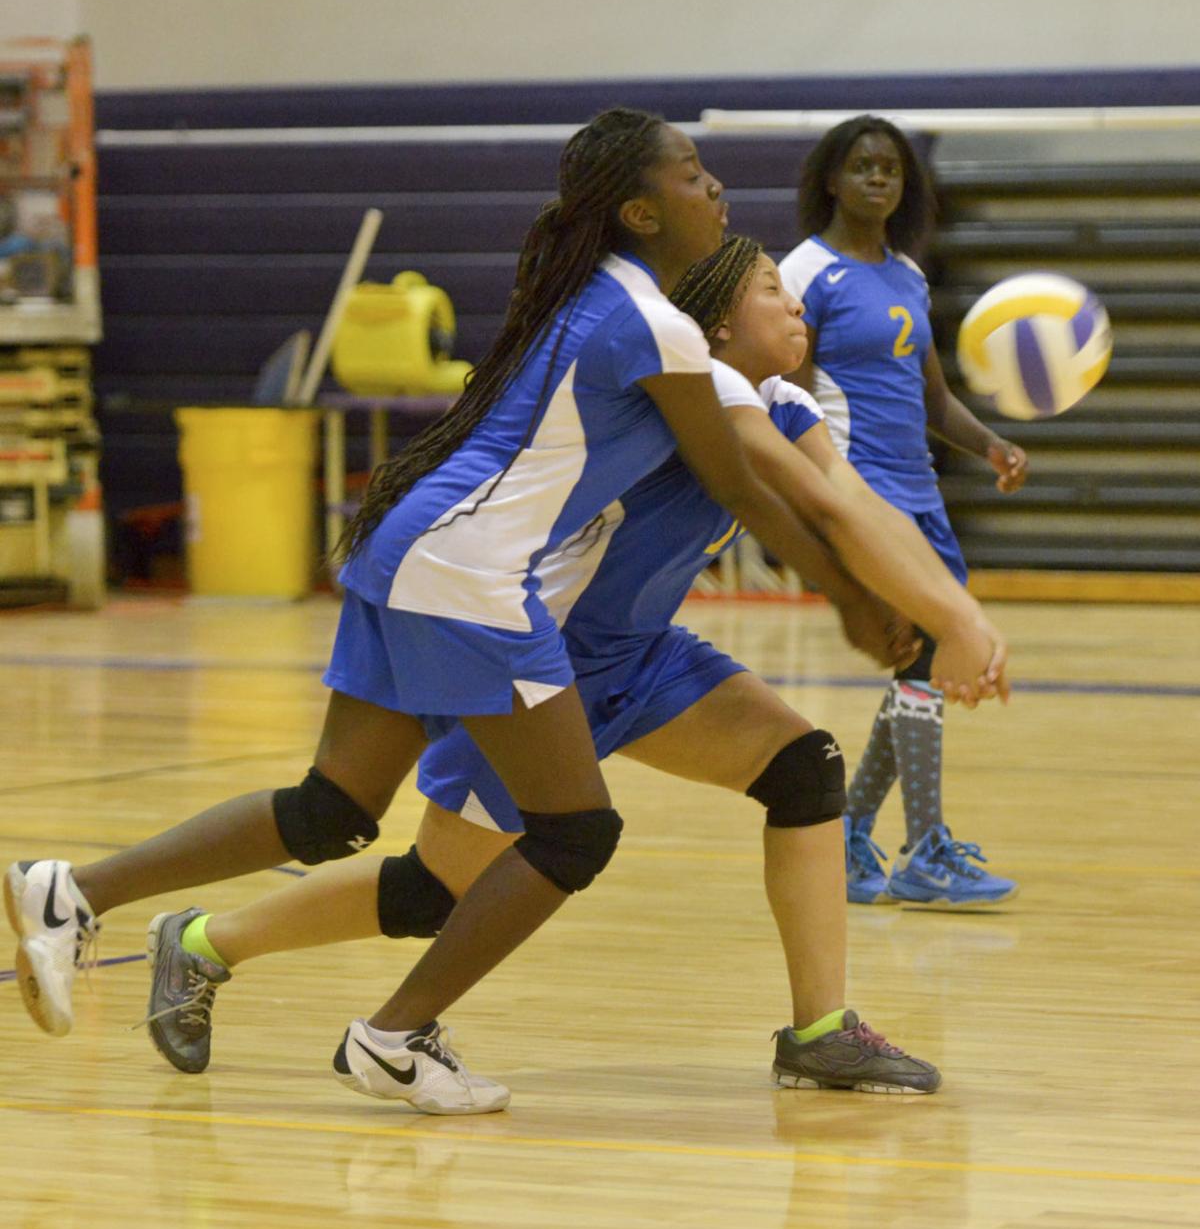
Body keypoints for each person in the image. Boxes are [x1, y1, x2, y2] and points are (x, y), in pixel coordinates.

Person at [6, 108, 925, 1116]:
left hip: (411, 550)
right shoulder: (656, 327)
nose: (716, 191)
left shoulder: (595, 292)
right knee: (573, 833)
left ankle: (73, 890)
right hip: (471, 575)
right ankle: (394, 1038)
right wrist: (849, 598)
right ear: (638, 212)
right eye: (694, 175)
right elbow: (743, 485)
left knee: (332, 810)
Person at [137, 237, 1009, 1105]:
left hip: (644, 656)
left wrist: (940, 610)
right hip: (541, 659)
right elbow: (830, 511)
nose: (795, 305)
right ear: (715, 323)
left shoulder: (783, 403)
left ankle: (820, 1034)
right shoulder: (700, 386)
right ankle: (207, 943)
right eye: (772, 289)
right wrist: (955, 620)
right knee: (432, 889)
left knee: (803, 769)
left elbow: (853, 503)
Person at [778, 115, 1029, 908]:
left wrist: (991, 445)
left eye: (891, 169)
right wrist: (812, 502)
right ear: (831, 179)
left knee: (920, 665)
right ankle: (924, 848)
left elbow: (933, 399)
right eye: (863, 166)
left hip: (922, 493)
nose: (879, 179)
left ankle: (854, 834)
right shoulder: (805, 272)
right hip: (861, 496)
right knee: (923, 659)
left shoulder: (909, 277)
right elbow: (786, 397)